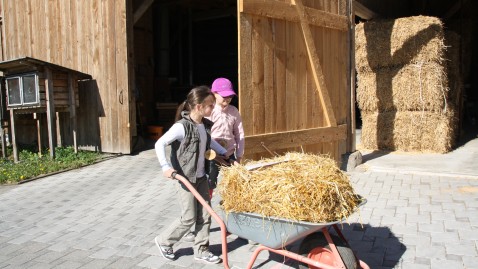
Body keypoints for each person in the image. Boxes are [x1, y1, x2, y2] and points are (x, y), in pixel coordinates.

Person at [154, 85, 228, 264]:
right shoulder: (181, 127)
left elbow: (208, 143)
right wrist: (165, 167)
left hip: (201, 178)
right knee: (189, 218)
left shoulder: (204, 125)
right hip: (185, 179)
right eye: (210, 105)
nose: (213, 108)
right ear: (198, 107)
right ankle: (164, 241)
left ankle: (202, 250)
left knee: (205, 214)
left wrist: (225, 155)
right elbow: (159, 144)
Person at [182, 78, 245, 243]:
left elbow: (240, 134)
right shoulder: (209, 111)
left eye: (229, 96)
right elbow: (203, 134)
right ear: (214, 94)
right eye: (223, 96)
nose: (226, 100)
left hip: (228, 155)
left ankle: (232, 223)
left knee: (233, 187)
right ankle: (196, 224)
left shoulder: (233, 111)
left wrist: (238, 155)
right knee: (207, 187)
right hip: (211, 156)